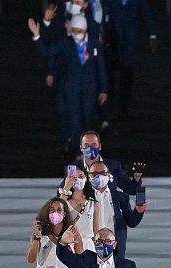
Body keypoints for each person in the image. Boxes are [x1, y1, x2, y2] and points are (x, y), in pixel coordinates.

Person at [31, 15, 109, 156]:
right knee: (74, 120)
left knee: (87, 119)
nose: (75, 34)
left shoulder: (94, 44)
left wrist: (104, 89)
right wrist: (37, 36)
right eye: (73, 30)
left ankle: (88, 148)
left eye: (78, 31)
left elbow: (101, 67)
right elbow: (48, 52)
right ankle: (78, 150)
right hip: (71, 88)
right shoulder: (66, 43)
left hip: (89, 89)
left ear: (85, 30)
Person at [77, 160, 146, 258]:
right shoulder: (82, 198)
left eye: (103, 173)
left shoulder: (121, 198)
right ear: (88, 176)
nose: (99, 176)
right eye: (95, 174)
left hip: (114, 248)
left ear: (109, 175)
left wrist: (138, 212)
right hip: (89, 247)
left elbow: (132, 222)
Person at [103, 0, 158, 120]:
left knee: (127, 75)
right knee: (110, 76)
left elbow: (145, 13)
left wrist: (152, 34)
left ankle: (123, 107)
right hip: (112, 41)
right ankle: (110, 105)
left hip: (130, 42)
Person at [78, 130, 143, 196]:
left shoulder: (113, 166)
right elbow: (69, 193)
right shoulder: (73, 168)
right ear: (81, 147)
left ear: (100, 146)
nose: (90, 148)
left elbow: (131, 190)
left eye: (94, 144)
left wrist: (136, 178)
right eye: (86, 145)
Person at [62, 163, 101, 243]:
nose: (78, 180)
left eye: (81, 177)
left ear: (86, 177)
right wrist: (66, 188)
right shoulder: (64, 201)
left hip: (88, 245)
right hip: (69, 244)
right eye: (74, 178)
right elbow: (57, 217)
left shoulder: (93, 204)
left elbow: (96, 231)